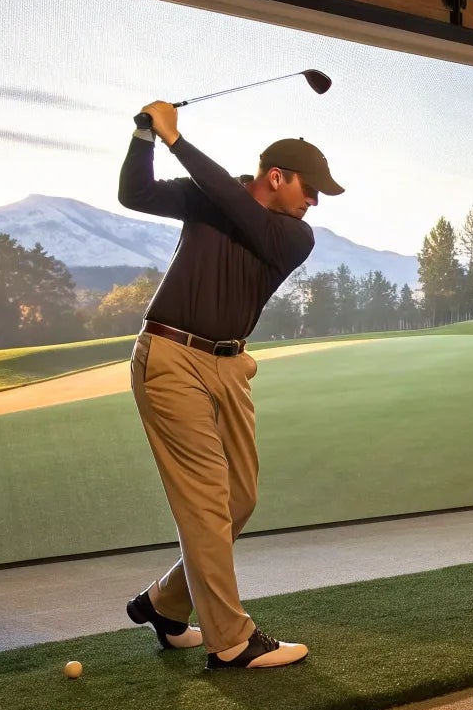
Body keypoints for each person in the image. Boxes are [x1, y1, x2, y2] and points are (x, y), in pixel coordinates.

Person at [115, 100, 342, 670]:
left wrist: (179, 141)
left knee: (241, 497)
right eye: (310, 189)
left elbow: (242, 212)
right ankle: (231, 640)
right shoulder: (211, 197)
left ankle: (166, 604)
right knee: (207, 503)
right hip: (170, 359)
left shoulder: (294, 236)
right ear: (277, 176)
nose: (313, 202)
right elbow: (134, 195)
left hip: (231, 366)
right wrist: (147, 136)